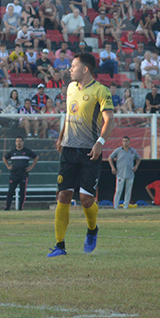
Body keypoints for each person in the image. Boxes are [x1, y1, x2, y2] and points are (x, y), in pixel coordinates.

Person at [49, 52, 114, 257]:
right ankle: (60, 246)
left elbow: (110, 120)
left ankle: (92, 229)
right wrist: (61, 136)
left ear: (85, 69)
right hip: (68, 149)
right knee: (63, 196)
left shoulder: (101, 91)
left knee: (86, 199)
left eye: (74, 65)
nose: (70, 69)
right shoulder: (70, 88)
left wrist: (99, 143)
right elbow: (69, 114)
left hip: (89, 151)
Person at [3, 137, 38, 211]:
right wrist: (8, 166)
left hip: (23, 174)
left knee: (22, 192)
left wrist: (31, 167)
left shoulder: (27, 151)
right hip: (14, 174)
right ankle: (7, 208)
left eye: (20, 141)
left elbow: (36, 157)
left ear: (23, 142)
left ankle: (20, 208)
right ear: (15, 143)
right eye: (17, 141)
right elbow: (5, 158)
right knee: (10, 192)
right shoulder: (12, 152)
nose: (18, 142)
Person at [109, 136, 141, 209]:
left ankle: (126, 206)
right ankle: (115, 206)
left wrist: (136, 166)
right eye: (123, 141)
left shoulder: (132, 151)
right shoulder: (118, 150)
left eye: (126, 141)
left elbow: (138, 158)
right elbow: (110, 157)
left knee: (128, 192)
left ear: (129, 142)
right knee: (118, 191)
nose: (125, 143)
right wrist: (113, 167)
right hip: (120, 174)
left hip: (130, 174)